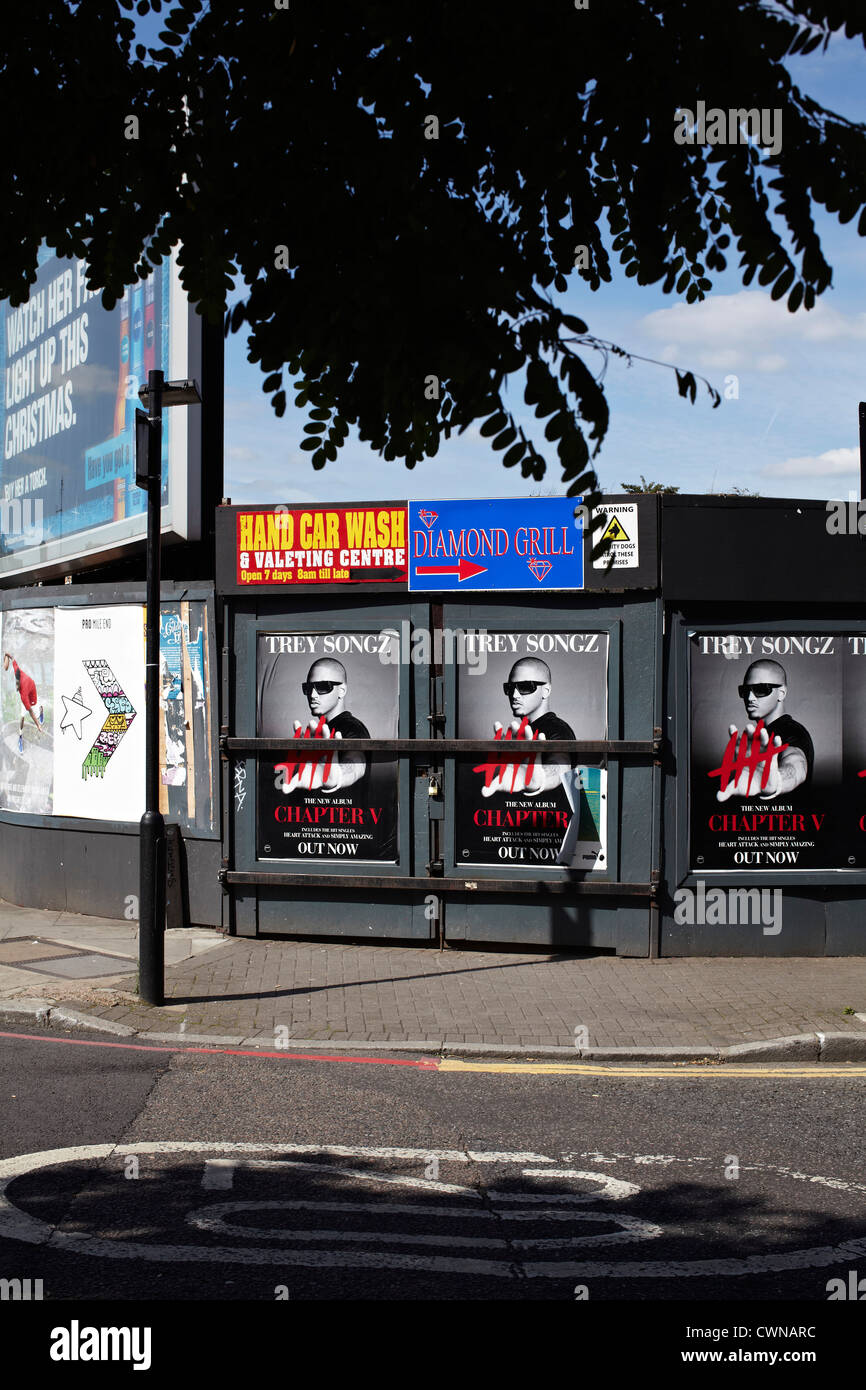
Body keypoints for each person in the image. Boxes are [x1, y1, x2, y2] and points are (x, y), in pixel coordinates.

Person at [716, 659, 812, 801]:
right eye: (745, 690)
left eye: (760, 689)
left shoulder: (793, 732)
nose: (750, 697)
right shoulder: (761, 736)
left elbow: (797, 764)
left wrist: (777, 781)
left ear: (781, 693)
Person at [480, 657, 575, 797]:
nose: (514, 695)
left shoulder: (557, 729)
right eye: (510, 687)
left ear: (546, 691)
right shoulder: (524, 732)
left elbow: (561, 765)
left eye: (525, 687)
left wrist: (540, 779)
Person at [277, 658, 368, 795]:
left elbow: (356, 763)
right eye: (308, 688)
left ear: (342, 690)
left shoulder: (353, 728)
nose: (313, 695)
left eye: (323, 687)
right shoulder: (320, 731)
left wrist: (338, 777)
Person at [4, 651, 43, 755]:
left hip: (32, 698)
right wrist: (8, 655)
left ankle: (41, 710)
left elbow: (30, 711)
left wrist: (38, 725)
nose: (16, 687)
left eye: (17, 685)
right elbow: (14, 662)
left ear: (20, 682)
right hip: (28, 691)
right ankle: (20, 736)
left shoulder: (23, 694)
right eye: (15, 683)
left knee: (36, 713)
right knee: (22, 717)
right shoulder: (17, 671)